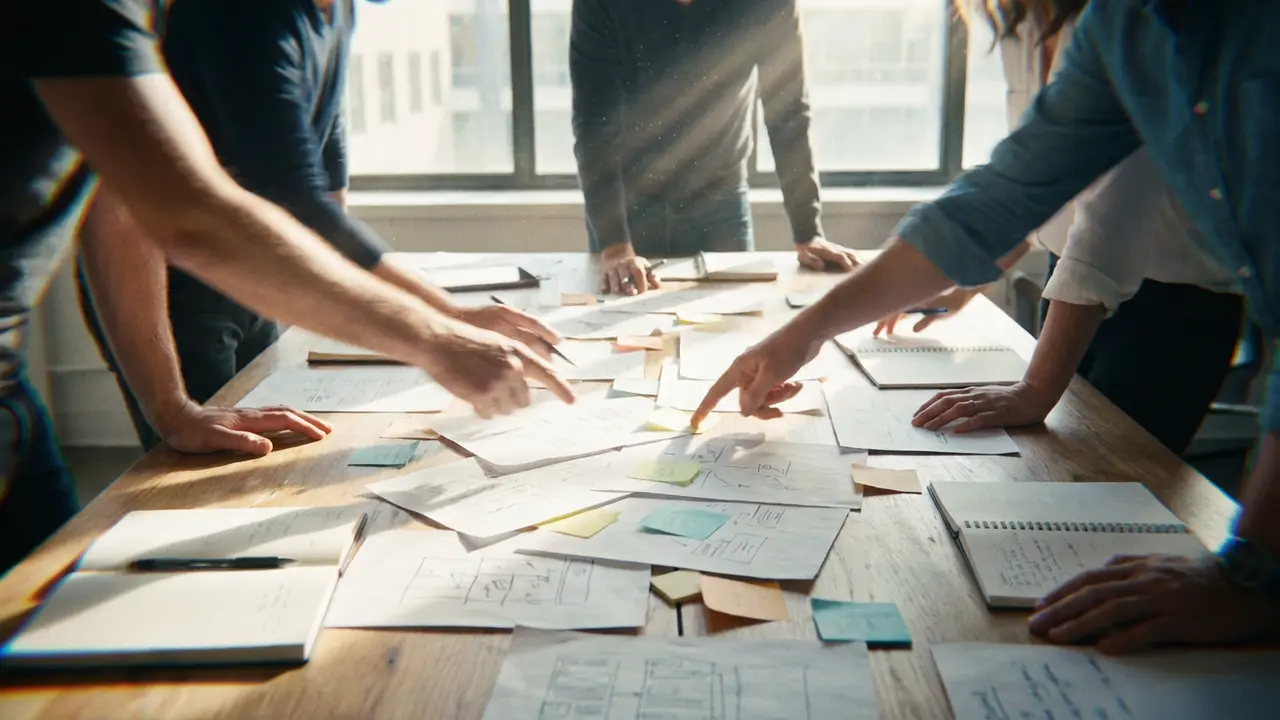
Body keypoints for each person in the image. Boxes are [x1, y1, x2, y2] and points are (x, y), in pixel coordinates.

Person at [694, 0, 1280, 653]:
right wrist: (803, 333)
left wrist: (1250, 573)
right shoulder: (1119, 27)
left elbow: (1104, 224)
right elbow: (1003, 196)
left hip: (1178, 302)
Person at [1, 1, 571, 575]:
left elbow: (122, 200)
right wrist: (439, 336)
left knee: (46, 595)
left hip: (11, 378)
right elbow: (189, 216)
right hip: (168, 305)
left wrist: (173, 410)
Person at [76, 0, 563, 452]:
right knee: (201, 467)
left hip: (260, 278)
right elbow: (293, 205)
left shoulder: (337, 13)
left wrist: (443, 318)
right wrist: (444, 326)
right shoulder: (246, 16)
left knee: (273, 448)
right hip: (175, 286)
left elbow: (327, 201)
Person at [881, 1, 1244, 456]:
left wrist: (1034, 389)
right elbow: (1040, 181)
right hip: (1071, 287)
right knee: (1049, 464)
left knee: (1108, 480)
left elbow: (1108, 225)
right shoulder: (1019, 23)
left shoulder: (1126, 21)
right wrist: (965, 281)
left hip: (1171, 305)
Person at [570, 0, 860, 296]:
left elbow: (787, 112)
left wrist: (808, 232)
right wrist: (616, 248)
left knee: (737, 314)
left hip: (720, 197)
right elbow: (594, 125)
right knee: (618, 314)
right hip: (624, 200)